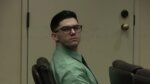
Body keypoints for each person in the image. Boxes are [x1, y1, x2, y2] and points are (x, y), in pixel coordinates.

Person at [50, 10, 98, 84]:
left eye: (76, 27)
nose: (73, 32)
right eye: (66, 29)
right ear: (55, 36)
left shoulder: (58, 56)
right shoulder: (72, 70)